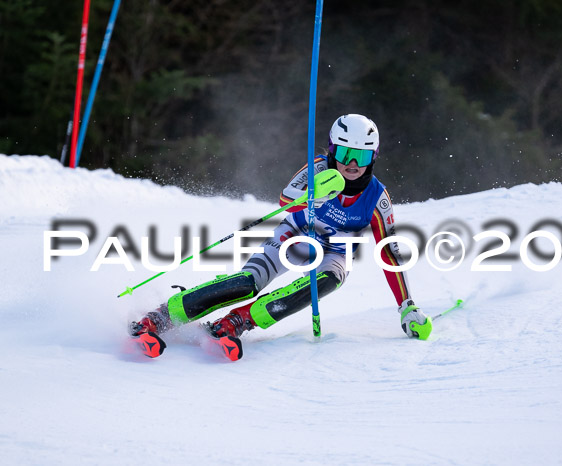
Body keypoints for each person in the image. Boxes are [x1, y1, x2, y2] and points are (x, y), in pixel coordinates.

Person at [129, 114, 431, 358]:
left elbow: (389, 251)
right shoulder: (317, 168)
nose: (352, 164)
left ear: (373, 157)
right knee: (248, 283)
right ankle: (160, 317)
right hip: (296, 235)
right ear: (332, 150)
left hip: (336, 252)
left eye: (361, 156)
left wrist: (407, 306)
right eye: (344, 153)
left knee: (324, 283)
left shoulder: (378, 199)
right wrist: (312, 196)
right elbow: (285, 199)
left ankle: (237, 321)